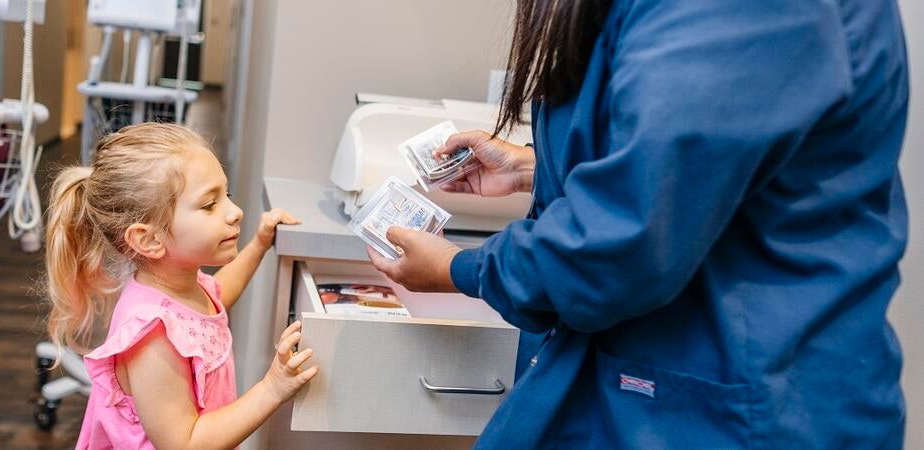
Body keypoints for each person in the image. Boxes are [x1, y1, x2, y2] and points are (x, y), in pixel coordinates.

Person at [368, 0, 910, 447]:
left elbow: (621, 243)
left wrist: (460, 268)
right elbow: (691, 164)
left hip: (741, 409)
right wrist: (537, 168)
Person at [44, 123, 318, 449]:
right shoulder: (151, 333)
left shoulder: (182, 282)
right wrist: (272, 388)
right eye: (209, 205)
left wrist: (258, 246)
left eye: (225, 195)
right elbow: (184, 443)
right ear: (149, 239)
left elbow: (215, 299)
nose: (235, 212)